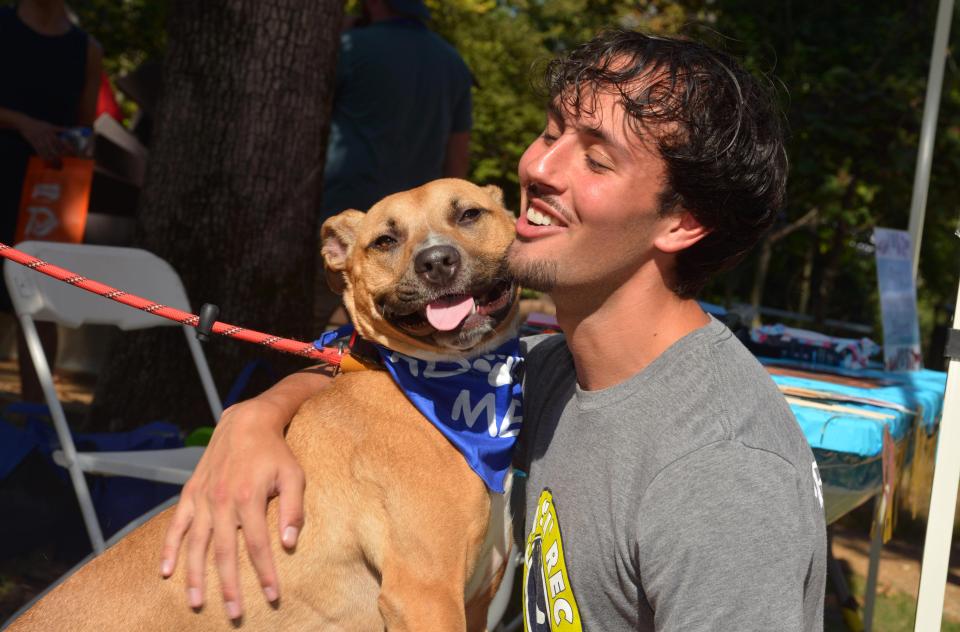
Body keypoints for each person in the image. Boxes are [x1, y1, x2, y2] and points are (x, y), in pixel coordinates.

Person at [160, 30, 827, 629]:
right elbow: (387, 378)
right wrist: (258, 414)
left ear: (683, 221)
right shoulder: (538, 372)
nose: (537, 168)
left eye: (596, 160)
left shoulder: (720, 477)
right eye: (550, 133)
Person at [314, 0, 474, 330]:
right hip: (421, 236)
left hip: (346, 224)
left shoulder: (349, 48)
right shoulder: (452, 62)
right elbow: (458, 161)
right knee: (416, 332)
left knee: (323, 328)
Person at [0, 0, 102, 401]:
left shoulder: (85, 48)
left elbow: (85, 123)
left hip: (48, 189)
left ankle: (38, 424)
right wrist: (24, 123)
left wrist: (72, 142)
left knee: (40, 303)